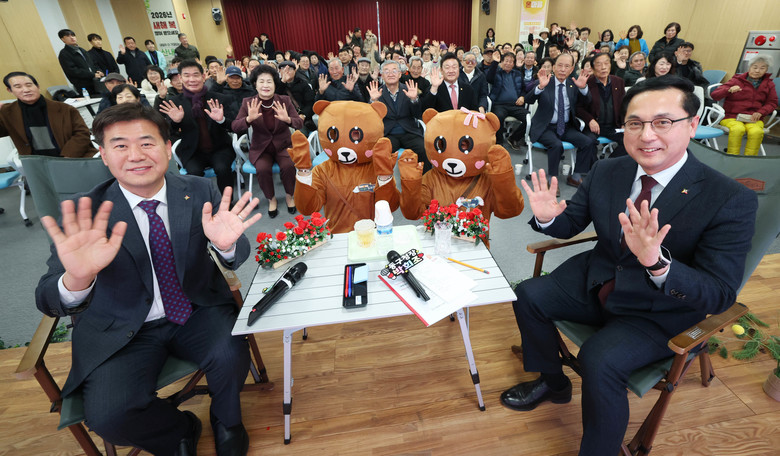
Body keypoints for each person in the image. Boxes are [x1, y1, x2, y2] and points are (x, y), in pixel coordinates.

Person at [502, 75, 757, 456]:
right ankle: (553, 382)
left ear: (692, 124)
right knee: (527, 295)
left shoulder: (729, 198)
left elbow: (720, 294)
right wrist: (548, 218)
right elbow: (570, 223)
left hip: (660, 309)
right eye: (635, 123)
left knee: (599, 360)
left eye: (663, 122)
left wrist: (658, 263)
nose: (646, 135)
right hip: (598, 278)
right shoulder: (609, 169)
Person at [36, 102, 261, 456]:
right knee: (110, 416)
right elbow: (47, 298)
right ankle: (180, 430)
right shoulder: (85, 212)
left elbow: (237, 252)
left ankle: (227, 421)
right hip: (120, 327)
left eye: (146, 143)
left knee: (231, 355)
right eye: (120, 145)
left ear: (168, 148)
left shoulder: (200, 191)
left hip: (195, 310)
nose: (136, 155)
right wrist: (77, 278)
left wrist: (227, 246)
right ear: (104, 155)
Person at [232, 64, 301, 217]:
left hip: (283, 146)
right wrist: (248, 119)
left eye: (269, 81)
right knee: (262, 169)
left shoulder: (284, 100)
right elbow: (235, 126)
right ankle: (271, 199)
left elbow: (299, 123)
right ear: (255, 84)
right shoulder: (248, 103)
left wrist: (288, 119)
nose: (265, 85)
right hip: (261, 148)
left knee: (288, 166)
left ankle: (289, 196)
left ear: (275, 84)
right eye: (261, 81)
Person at [158, 59, 237, 193]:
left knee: (222, 168)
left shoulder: (219, 99)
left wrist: (221, 120)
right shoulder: (174, 102)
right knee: (194, 173)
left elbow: (233, 126)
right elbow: (168, 132)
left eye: (195, 75)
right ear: (181, 78)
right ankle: (202, 201)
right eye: (187, 75)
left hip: (220, 148)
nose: (192, 79)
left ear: (203, 76)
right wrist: (176, 121)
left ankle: (227, 201)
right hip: (192, 151)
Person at [525, 54, 596, 189]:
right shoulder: (545, 81)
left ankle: (575, 177)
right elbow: (528, 99)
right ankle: (552, 180)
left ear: (572, 69)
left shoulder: (573, 84)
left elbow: (587, 102)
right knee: (556, 145)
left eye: (567, 66)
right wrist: (540, 87)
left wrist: (583, 88)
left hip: (566, 127)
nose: (563, 69)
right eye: (560, 65)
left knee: (588, 142)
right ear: (553, 67)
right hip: (545, 127)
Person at [1, 71, 96, 157]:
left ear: (37, 86)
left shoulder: (65, 108)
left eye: (29, 85)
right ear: (10, 90)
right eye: (18, 87)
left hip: (71, 157)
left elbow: (82, 133)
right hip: (36, 162)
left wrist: (66, 157)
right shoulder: (7, 112)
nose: (26, 90)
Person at [367, 60, 429, 172]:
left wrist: (414, 99)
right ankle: (385, 181)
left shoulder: (408, 89)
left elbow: (417, 114)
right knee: (381, 152)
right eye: (386, 71)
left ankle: (425, 179)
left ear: (400, 74)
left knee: (423, 149)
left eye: (394, 71)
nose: (391, 74)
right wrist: (373, 101)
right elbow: (371, 118)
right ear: (382, 75)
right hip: (388, 134)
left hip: (409, 132)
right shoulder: (377, 92)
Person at [711, 55, 778, 156]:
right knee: (738, 129)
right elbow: (715, 95)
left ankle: (749, 159)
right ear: (749, 67)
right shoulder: (736, 80)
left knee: (756, 132)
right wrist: (728, 90)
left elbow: (772, 102)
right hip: (732, 116)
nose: (757, 71)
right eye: (755, 67)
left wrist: (761, 112)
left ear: (766, 69)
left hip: (754, 118)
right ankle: (732, 156)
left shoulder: (769, 84)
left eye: (762, 68)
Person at [576, 53, 627, 157]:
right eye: (599, 64)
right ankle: (592, 166)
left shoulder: (618, 82)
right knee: (588, 142)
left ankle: (610, 163)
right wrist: (590, 120)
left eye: (606, 63)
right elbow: (578, 107)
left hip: (614, 126)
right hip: (594, 127)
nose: (603, 67)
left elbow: (624, 105)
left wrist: (624, 122)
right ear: (593, 68)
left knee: (630, 140)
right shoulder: (586, 83)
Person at [486, 52, 528, 149]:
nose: (508, 63)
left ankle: (514, 138)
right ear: (502, 62)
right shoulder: (496, 72)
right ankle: (499, 141)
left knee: (530, 119)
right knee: (498, 117)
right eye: (506, 61)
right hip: (499, 105)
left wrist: (522, 97)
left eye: (511, 62)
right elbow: (489, 78)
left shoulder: (518, 74)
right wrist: (495, 63)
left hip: (515, 105)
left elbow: (524, 89)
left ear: (513, 64)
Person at [57, 29, 102, 95]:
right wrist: (92, 74)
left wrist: (98, 71)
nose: (72, 38)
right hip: (82, 85)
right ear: (63, 39)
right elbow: (73, 71)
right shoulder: (64, 54)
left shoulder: (82, 50)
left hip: (94, 81)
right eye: (68, 36)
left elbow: (93, 63)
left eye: (73, 35)